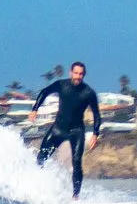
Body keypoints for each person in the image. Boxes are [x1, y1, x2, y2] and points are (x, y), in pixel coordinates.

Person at [32, 62, 101, 196]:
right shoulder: (61, 85)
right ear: (71, 73)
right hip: (58, 129)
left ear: (84, 75)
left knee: (76, 162)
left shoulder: (89, 93)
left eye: (81, 74)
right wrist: (35, 109)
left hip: (76, 131)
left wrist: (95, 134)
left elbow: (97, 114)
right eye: (76, 73)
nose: (78, 76)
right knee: (41, 158)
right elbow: (44, 92)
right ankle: (35, 188)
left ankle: (76, 197)